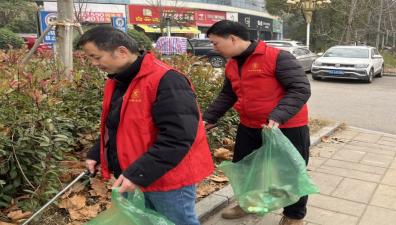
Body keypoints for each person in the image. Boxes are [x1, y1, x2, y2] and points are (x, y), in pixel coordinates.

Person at [77, 25, 214, 225]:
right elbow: (118, 124)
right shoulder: (118, 80)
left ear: (122, 51)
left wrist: (139, 174)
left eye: (96, 57)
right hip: (135, 174)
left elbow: (178, 137)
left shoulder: (167, 80)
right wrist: (98, 152)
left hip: (168, 179)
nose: (93, 63)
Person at [203, 20, 311, 225]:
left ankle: (293, 216)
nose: (213, 48)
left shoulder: (278, 57)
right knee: (245, 169)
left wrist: (278, 116)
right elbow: (228, 95)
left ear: (232, 39)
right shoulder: (233, 64)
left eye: (215, 43)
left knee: (291, 172)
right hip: (250, 125)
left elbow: (300, 89)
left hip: (286, 127)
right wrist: (209, 117)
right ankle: (248, 204)